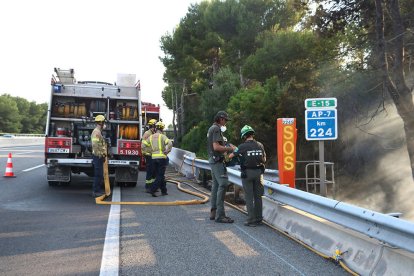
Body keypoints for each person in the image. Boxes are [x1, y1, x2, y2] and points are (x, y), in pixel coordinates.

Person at [229, 125, 266, 227]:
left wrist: (236, 150)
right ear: (252, 134)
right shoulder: (260, 145)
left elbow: (230, 156)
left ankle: (251, 220)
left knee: (249, 197)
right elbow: (264, 160)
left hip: (247, 174)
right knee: (258, 197)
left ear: (244, 136)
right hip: (259, 173)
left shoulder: (242, 147)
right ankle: (259, 219)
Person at [207, 111, 236, 223]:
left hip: (213, 160)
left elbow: (216, 146)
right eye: (225, 121)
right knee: (223, 184)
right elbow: (216, 147)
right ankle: (220, 215)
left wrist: (226, 147)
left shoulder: (211, 128)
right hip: (217, 161)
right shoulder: (216, 129)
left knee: (216, 185)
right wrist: (230, 149)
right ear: (221, 119)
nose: (226, 123)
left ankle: (213, 212)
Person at [142, 121, 172, 197]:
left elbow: (143, 145)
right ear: (162, 129)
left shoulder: (151, 137)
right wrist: (168, 150)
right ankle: (153, 189)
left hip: (153, 158)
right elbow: (170, 143)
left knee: (159, 174)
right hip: (161, 158)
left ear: (156, 128)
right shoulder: (162, 136)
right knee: (160, 175)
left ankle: (164, 191)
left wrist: (148, 152)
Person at [91, 115, 107, 198]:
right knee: (98, 174)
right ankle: (96, 191)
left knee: (99, 174)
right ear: (101, 122)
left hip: (98, 156)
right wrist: (100, 154)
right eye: (104, 122)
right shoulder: (97, 132)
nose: (105, 124)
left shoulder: (98, 131)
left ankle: (97, 190)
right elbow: (95, 145)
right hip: (97, 156)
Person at [141, 119, 157, 192]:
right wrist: (145, 153)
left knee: (154, 171)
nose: (156, 128)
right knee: (150, 171)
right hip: (149, 155)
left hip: (154, 155)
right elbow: (143, 145)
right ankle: (148, 187)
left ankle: (153, 186)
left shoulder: (154, 134)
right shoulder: (147, 134)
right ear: (152, 126)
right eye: (155, 126)